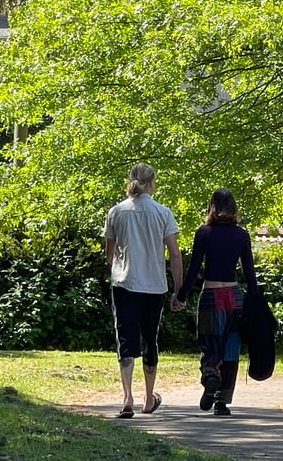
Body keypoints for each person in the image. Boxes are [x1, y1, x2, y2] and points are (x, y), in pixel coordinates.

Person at [104, 162, 183, 419]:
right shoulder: (163, 212)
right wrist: (177, 289)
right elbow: (174, 253)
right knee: (150, 338)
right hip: (154, 285)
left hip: (125, 283)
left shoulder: (116, 212)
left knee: (125, 338)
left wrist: (120, 264)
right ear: (152, 183)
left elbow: (109, 254)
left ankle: (127, 396)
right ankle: (149, 398)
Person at [171, 187, 259, 416]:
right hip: (234, 297)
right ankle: (221, 402)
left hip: (210, 295)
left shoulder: (204, 232)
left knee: (209, 343)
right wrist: (255, 300)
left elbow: (194, 269)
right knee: (231, 348)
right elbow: (249, 272)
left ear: (211, 206)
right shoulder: (242, 235)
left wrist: (180, 296)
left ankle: (210, 374)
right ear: (233, 208)